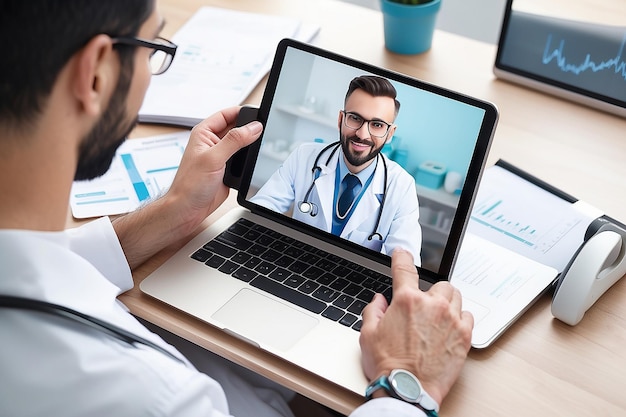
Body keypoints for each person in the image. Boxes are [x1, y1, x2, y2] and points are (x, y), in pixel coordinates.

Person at [0, 1, 473, 417]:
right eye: (153, 51)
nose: (363, 133)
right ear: (96, 74)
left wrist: (173, 211)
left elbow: (42, 262)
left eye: (376, 125)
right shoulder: (154, 397)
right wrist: (408, 388)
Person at [251, 76, 422, 264]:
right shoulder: (304, 156)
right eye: (355, 119)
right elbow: (261, 209)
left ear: (389, 134)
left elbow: (406, 260)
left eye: (377, 125)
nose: (362, 134)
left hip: (352, 279)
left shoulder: (402, 186)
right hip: (296, 261)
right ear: (341, 119)